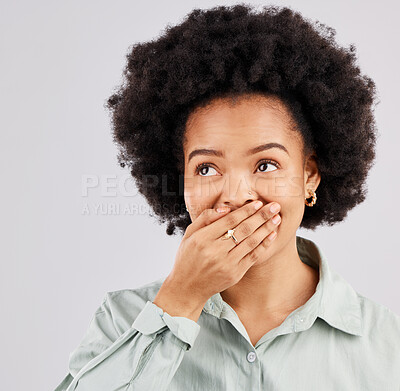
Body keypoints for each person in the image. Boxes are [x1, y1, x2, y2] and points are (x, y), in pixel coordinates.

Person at [54, 4, 400, 390]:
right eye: (206, 168)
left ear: (310, 176)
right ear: (180, 179)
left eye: (266, 164)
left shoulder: (386, 344)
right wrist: (180, 301)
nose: (235, 195)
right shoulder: (122, 321)